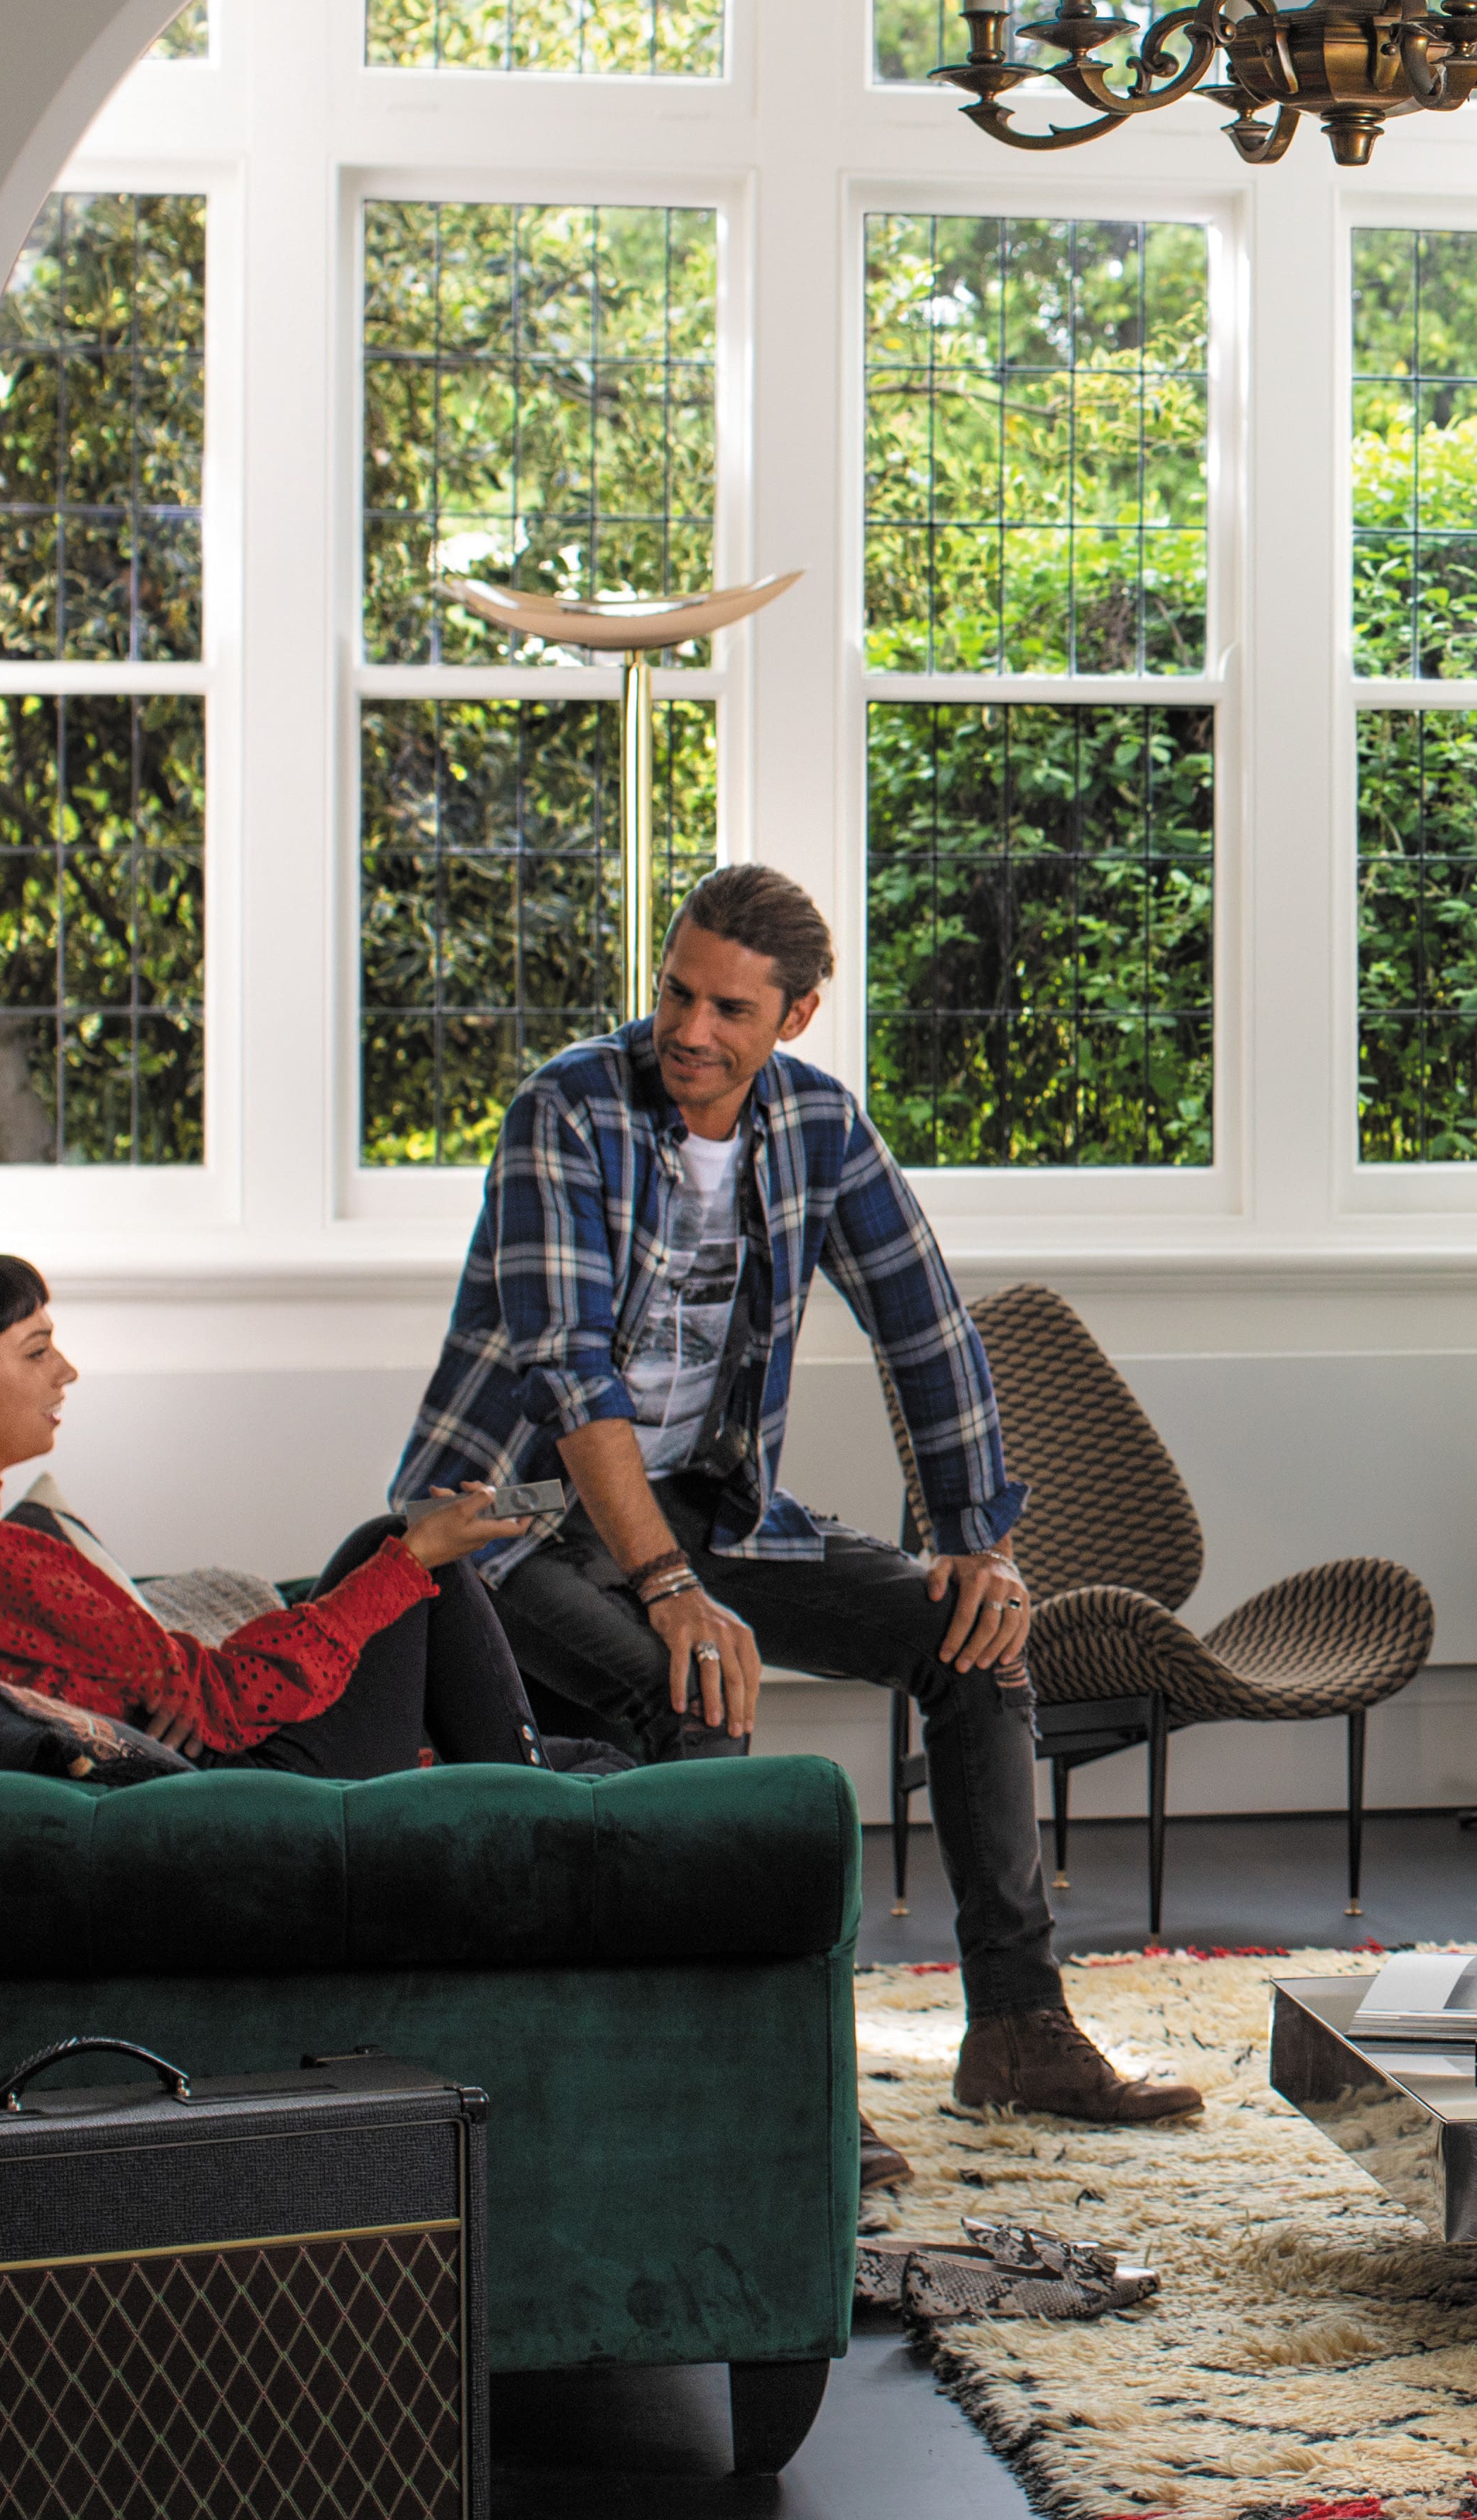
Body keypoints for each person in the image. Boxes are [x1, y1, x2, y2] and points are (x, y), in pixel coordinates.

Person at [386, 862, 1194, 2134]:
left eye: (729, 1012)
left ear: (795, 1019)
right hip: (510, 1525)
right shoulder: (568, 1112)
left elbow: (925, 1329)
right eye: (676, 995)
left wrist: (980, 1546)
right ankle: (774, 2079)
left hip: (709, 1510)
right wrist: (669, 1591)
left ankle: (1020, 2030)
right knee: (693, 1686)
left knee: (975, 1644)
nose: (691, 1033)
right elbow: (568, 1373)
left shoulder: (819, 1126)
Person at [0, 1250, 552, 1775]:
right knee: (403, 1548)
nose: (67, 1372)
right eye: (36, 1352)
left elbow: (169, 1686)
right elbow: (226, 1701)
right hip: (265, 1784)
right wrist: (413, 1561)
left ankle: (531, 1775)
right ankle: (544, 1813)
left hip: (223, 1756)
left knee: (388, 1548)